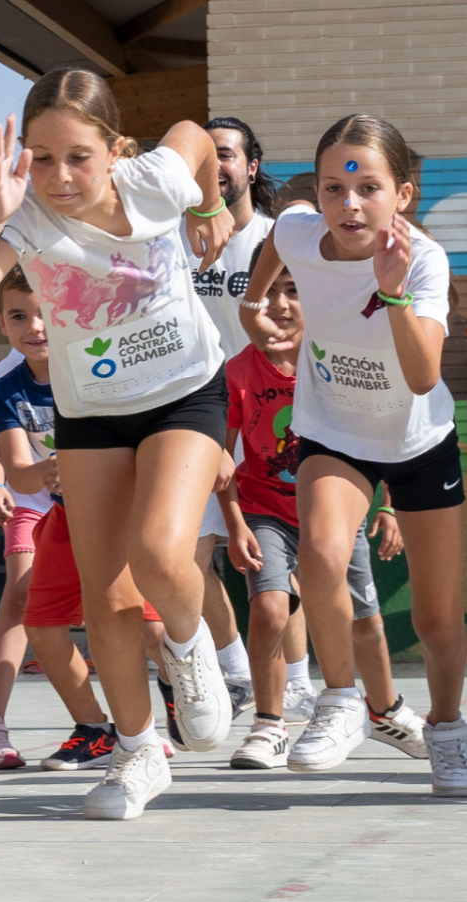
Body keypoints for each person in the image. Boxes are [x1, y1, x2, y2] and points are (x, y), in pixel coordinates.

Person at [0, 69, 236, 821]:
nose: (58, 176)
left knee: (162, 556)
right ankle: (136, 755)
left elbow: (196, 138)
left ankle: (190, 647)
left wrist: (214, 202)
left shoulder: (154, 180)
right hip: (92, 414)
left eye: (77, 156)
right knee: (104, 594)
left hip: (185, 392)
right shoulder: (27, 217)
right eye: (40, 158)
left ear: (116, 151)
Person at [242, 115, 467, 796]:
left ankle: (447, 729)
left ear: (401, 194)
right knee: (318, 553)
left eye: (367, 187)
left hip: (416, 441)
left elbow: (420, 375)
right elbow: (276, 236)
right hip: (333, 432)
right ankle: (342, 700)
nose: (349, 204)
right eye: (333, 188)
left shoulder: (426, 262)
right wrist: (254, 302)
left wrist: (395, 289)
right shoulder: (296, 231)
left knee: (438, 620)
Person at [219, 247, 426, 769]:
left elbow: (385, 426)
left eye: (294, 292)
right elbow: (220, 453)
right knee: (269, 608)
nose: (282, 305)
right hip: (264, 508)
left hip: (335, 508)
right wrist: (235, 519)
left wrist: (389, 506)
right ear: (251, 306)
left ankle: (384, 710)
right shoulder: (238, 373)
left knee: (366, 620)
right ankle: (269, 726)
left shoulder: (332, 359)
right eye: (270, 294)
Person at [188, 115, 284, 719]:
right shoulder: (171, 238)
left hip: (270, 418)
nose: (214, 167)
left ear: (249, 168)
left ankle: (294, 683)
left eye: (225, 155)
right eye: (203, 158)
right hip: (196, 420)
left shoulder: (283, 238)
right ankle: (234, 670)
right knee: (188, 559)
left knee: (267, 571)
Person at [0, 274, 61, 771]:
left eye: (43, 312)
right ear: (2, 321)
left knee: (123, 603)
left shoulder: (90, 364)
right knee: (21, 595)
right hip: (32, 494)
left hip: (88, 499)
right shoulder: (10, 375)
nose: (36, 326)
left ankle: (135, 721)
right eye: (21, 316)